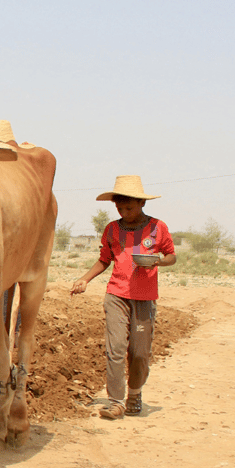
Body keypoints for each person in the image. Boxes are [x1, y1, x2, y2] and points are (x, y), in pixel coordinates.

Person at [71, 175, 176, 419]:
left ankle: (135, 393)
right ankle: (115, 401)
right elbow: (104, 260)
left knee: (139, 352)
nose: (124, 212)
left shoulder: (158, 228)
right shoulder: (112, 230)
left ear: (142, 204)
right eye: (120, 208)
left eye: (129, 207)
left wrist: (158, 261)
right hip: (116, 295)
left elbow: (171, 255)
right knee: (115, 349)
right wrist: (85, 279)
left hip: (144, 298)